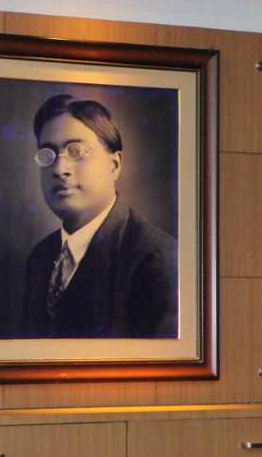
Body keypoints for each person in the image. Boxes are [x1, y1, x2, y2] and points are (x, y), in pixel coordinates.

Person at [17, 94, 179, 339]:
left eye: (76, 151)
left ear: (114, 165)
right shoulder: (41, 256)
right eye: (48, 155)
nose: (59, 169)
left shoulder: (157, 259)